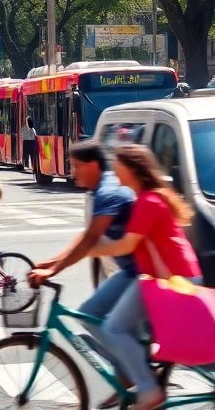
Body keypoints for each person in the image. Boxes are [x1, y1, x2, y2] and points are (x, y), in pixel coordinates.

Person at [88, 145, 201, 410]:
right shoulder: (147, 198)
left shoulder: (148, 202)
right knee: (121, 328)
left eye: (118, 164)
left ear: (132, 169)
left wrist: (90, 250)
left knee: (114, 327)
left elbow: (126, 245)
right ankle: (134, 372)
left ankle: (148, 390)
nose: (113, 168)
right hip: (165, 276)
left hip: (171, 279)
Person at [30, 141, 136, 405]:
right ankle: (129, 375)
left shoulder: (108, 191)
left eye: (76, 166)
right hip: (130, 270)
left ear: (93, 165)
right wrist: (51, 262)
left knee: (92, 316)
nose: (73, 172)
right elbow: (85, 237)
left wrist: (54, 269)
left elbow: (90, 240)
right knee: (102, 320)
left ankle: (135, 375)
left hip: (141, 273)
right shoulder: (103, 187)